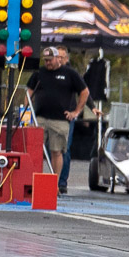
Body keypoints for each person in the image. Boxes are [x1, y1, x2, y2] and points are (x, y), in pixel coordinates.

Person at [26, 46, 89, 194]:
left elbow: (85, 92)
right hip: (40, 118)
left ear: (57, 58)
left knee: (57, 151)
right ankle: (33, 181)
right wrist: (28, 112)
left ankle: (55, 182)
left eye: (50, 60)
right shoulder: (39, 73)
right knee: (35, 150)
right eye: (46, 60)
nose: (48, 63)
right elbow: (29, 92)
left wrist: (76, 112)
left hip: (60, 119)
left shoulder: (70, 73)